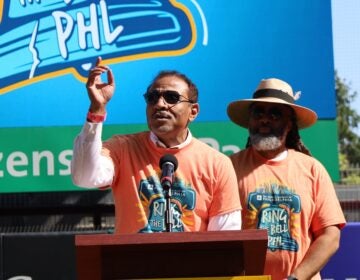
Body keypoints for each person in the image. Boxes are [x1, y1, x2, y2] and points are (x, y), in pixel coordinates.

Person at [71, 57, 241, 234]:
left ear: (193, 112)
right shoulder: (122, 148)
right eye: (152, 98)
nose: (160, 104)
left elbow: (225, 239)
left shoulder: (217, 164)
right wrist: (97, 109)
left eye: (171, 97)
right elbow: (85, 177)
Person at [227, 78, 346, 280]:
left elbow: (330, 236)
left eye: (275, 114)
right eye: (258, 113)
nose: (265, 119)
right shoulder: (228, 167)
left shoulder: (312, 169)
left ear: (289, 123)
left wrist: (296, 278)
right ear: (250, 120)